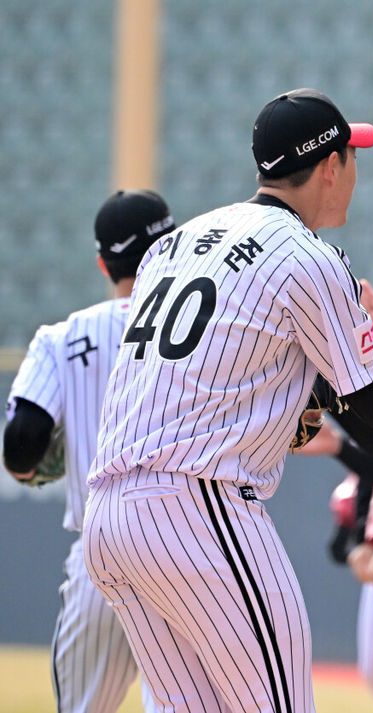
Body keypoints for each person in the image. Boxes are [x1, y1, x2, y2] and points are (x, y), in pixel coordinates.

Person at [80, 88, 373, 712]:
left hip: (110, 516)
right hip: (198, 509)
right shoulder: (307, 255)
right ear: (330, 166)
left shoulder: (175, 242)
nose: (354, 169)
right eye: (351, 155)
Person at [3, 190, 176, 713]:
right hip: (192, 543)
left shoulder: (64, 335)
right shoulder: (209, 319)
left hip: (102, 549)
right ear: (176, 243)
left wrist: (39, 461)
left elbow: (21, 445)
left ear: (104, 263)